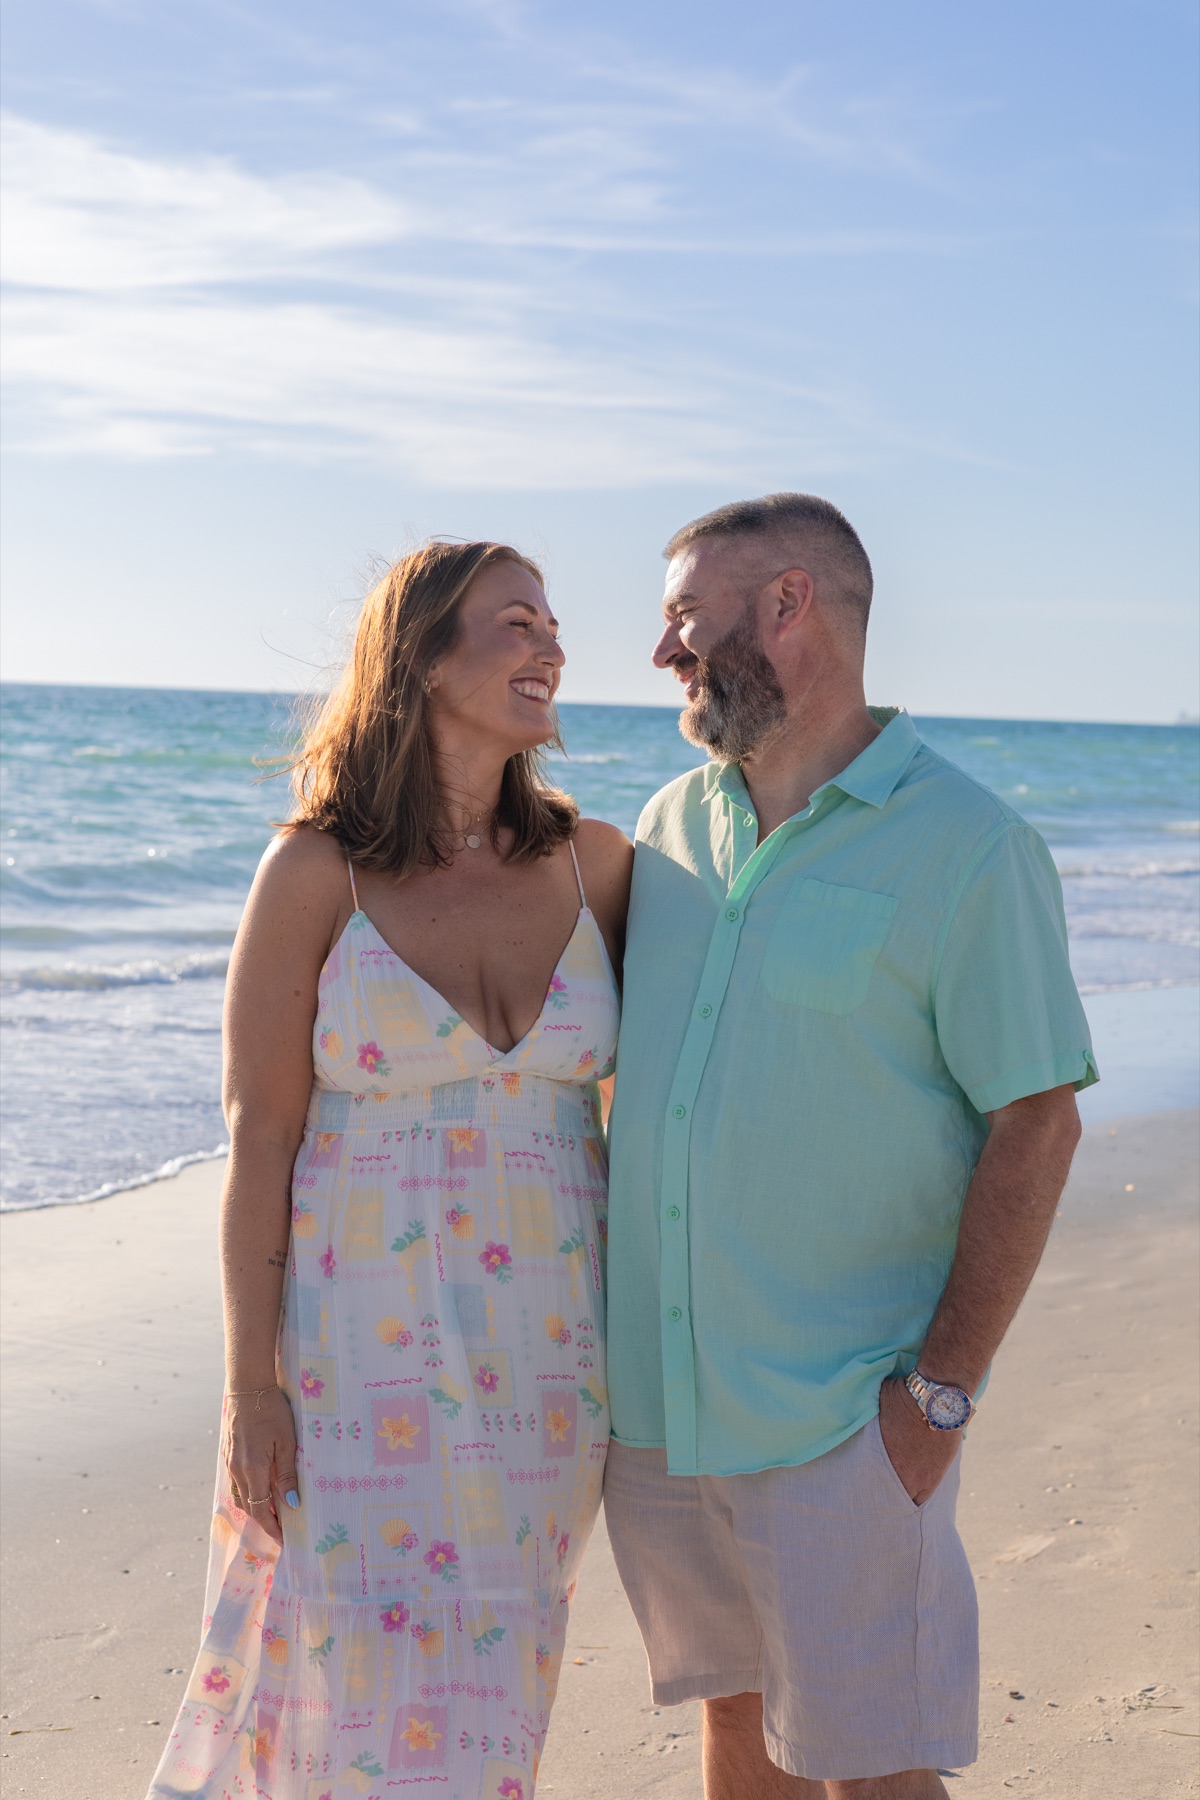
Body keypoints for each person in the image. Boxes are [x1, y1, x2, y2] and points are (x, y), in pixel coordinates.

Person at [603, 493, 1097, 1800]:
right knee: (731, 1731)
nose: (661, 657)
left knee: (872, 1775)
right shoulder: (662, 832)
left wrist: (939, 1397)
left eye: (682, 622)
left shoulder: (971, 845)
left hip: (844, 1418)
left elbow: (1037, 1121)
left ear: (787, 608)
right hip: (663, 1411)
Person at [148, 540, 631, 1800]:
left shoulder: (602, 867)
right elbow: (259, 1137)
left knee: (495, 1685)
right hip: (354, 1355)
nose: (553, 647)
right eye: (517, 623)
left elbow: (664, 1113)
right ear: (419, 660)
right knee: (342, 1673)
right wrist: (252, 1382)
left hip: (550, 1359)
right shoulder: (318, 872)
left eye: (554, 624)